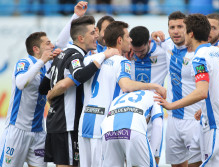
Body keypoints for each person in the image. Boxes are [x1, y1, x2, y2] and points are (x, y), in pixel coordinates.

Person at [77, 21, 166, 166]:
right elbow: (126, 85)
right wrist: (153, 86)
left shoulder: (90, 58)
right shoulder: (122, 62)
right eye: (128, 37)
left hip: (84, 123)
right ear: (120, 40)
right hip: (103, 125)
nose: (130, 40)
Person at [155, 14, 219, 167]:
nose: (179, 32)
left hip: (216, 124)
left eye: (183, 29)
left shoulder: (199, 57)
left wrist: (170, 105)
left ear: (191, 33)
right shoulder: (218, 51)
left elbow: (201, 92)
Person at [39, 16, 117, 166]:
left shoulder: (60, 55)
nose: (97, 36)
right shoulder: (75, 56)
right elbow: (79, 75)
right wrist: (103, 56)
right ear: (81, 38)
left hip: (55, 121)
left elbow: (43, 87)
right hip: (67, 123)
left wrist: (53, 96)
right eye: (93, 33)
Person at [0, 32, 55, 167]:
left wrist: (75, 15)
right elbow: (20, 83)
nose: (52, 45)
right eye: (48, 43)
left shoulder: (47, 67)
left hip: (38, 132)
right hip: (18, 129)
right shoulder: (24, 63)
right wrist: (41, 62)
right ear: (36, 49)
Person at [152, 11, 202, 167]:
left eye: (180, 26)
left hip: (194, 118)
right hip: (173, 119)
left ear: (188, 29)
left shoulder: (199, 53)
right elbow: (145, 43)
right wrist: (152, 35)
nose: (176, 31)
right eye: (172, 27)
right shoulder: (166, 45)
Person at [129, 26, 167, 164]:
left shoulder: (163, 52)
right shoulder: (126, 53)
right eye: (135, 51)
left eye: (142, 51)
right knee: (130, 159)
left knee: (153, 159)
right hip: (131, 113)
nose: (138, 54)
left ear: (149, 42)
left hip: (154, 114)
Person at [101, 90, 163, 167]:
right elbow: (158, 125)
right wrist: (151, 153)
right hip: (133, 129)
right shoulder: (155, 95)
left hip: (107, 131)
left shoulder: (119, 97)